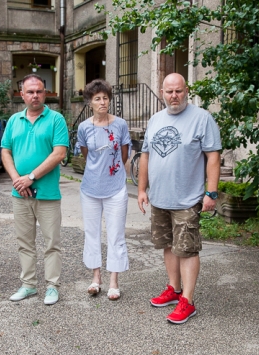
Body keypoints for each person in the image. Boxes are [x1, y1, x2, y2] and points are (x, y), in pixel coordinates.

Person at [137, 73, 221, 324]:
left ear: (186, 91)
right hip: (160, 198)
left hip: (187, 198)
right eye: (169, 91)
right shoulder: (155, 120)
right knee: (168, 245)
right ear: (161, 92)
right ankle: (173, 289)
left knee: (186, 249)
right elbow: (145, 156)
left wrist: (211, 192)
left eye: (178, 91)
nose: (174, 96)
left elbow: (213, 157)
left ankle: (188, 300)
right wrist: (142, 190)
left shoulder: (202, 118)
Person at [0, 74, 68, 305]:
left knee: (51, 243)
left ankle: (52, 287)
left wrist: (30, 177)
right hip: (20, 194)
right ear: (22, 95)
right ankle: (28, 285)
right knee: (24, 242)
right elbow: (5, 151)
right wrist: (17, 179)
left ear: (45, 93)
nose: (35, 96)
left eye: (39, 91)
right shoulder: (13, 121)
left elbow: (59, 153)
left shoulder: (56, 119)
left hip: (47, 193)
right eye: (30, 92)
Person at [76, 79, 131, 300]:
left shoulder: (120, 124)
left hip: (116, 187)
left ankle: (113, 282)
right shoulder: (84, 127)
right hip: (90, 188)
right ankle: (95, 278)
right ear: (90, 102)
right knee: (92, 234)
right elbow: (86, 154)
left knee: (116, 234)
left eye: (105, 98)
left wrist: (113, 170)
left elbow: (124, 154)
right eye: (97, 98)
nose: (102, 102)